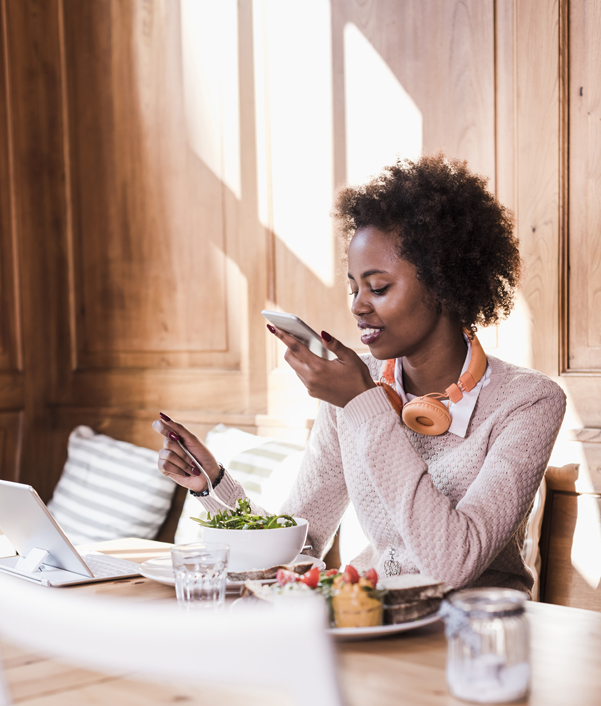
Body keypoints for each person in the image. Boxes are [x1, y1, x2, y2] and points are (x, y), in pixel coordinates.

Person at [154, 154, 566, 596]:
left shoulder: (529, 401)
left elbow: (453, 563)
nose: (357, 306)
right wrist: (213, 484)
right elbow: (300, 543)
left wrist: (363, 404)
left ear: (445, 284)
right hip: (376, 619)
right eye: (353, 287)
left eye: (379, 287)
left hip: (479, 635)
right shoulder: (355, 385)